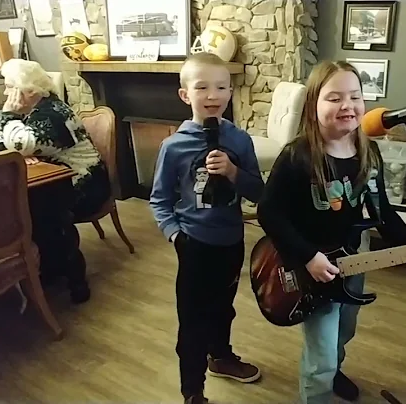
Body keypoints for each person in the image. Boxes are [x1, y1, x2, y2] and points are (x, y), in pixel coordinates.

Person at [256, 60, 406, 404]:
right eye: (334, 98)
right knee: (320, 357)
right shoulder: (298, 155)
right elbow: (268, 212)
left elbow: (383, 213)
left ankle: (334, 369)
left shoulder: (369, 152)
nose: (347, 105)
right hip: (307, 264)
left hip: (351, 258)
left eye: (355, 96)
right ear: (313, 106)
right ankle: (321, 384)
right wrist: (307, 257)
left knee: (345, 330)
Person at [149, 52, 264, 404]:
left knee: (224, 307)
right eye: (202, 87)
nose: (212, 95)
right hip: (194, 244)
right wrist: (176, 236)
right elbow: (159, 199)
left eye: (220, 87)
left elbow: (259, 191)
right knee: (193, 320)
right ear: (186, 95)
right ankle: (192, 390)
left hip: (231, 242)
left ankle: (221, 356)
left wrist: (232, 172)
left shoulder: (241, 141)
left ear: (231, 92)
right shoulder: (173, 147)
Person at [0, 58, 111, 304]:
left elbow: (19, 145)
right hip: (56, 178)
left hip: (86, 182)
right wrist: (10, 132)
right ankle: (49, 265)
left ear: (29, 90)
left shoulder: (52, 113)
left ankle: (72, 278)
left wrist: (8, 118)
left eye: (10, 86)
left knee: (41, 212)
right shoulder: (30, 111)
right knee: (30, 206)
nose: (5, 92)